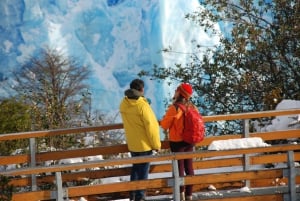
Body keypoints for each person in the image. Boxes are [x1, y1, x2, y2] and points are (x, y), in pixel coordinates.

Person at [119, 78, 161, 201]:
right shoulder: (143, 106)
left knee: (135, 169)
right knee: (143, 172)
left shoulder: (124, 103)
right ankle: (140, 196)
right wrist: (156, 144)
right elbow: (151, 127)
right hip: (144, 145)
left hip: (132, 144)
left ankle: (132, 194)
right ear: (141, 90)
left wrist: (144, 100)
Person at [160, 83, 196, 201]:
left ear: (180, 93)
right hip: (189, 141)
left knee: (179, 168)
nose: (174, 91)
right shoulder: (191, 107)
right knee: (189, 167)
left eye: (176, 90)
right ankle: (189, 195)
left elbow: (164, 125)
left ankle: (180, 196)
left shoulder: (174, 108)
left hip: (177, 142)